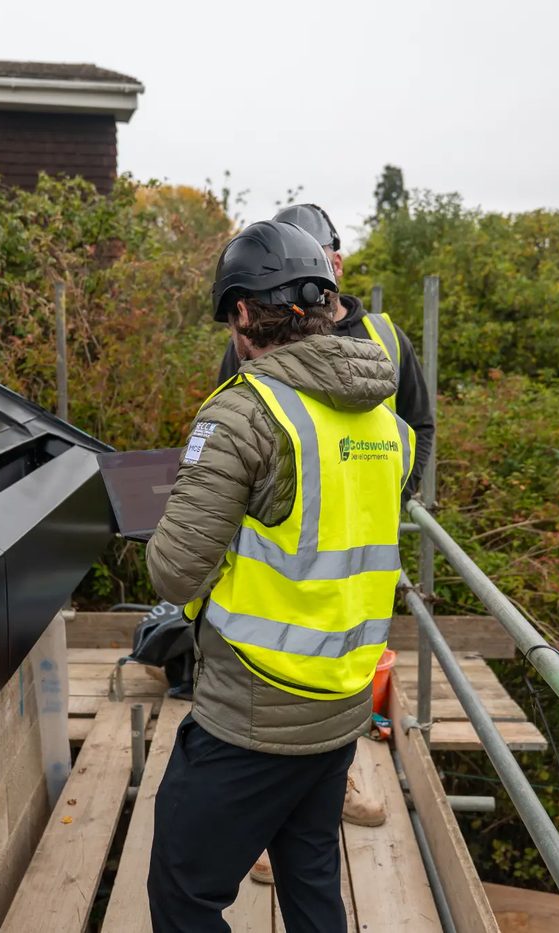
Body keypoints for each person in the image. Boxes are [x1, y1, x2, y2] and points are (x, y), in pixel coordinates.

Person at [145, 220, 413, 933]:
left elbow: (174, 572)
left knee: (183, 892)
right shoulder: (383, 417)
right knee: (312, 882)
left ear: (240, 313)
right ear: (327, 302)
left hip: (254, 715)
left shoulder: (244, 413)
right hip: (343, 700)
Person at [216, 203, 435, 502]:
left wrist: (396, 495)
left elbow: (418, 424)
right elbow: (228, 432)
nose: (307, 273)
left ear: (337, 263)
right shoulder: (253, 340)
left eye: (317, 259)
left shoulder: (386, 336)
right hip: (290, 524)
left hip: (371, 523)